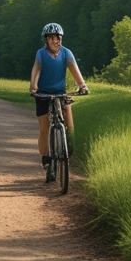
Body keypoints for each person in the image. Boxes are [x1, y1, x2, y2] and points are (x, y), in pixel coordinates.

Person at [29, 22, 88, 181]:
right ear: (46, 40)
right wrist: (33, 86)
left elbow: (75, 70)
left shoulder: (67, 53)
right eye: (52, 38)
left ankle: (69, 143)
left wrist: (82, 85)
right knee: (44, 129)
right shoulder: (41, 54)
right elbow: (36, 69)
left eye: (58, 38)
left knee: (69, 121)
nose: (55, 41)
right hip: (42, 94)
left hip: (60, 93)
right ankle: (46, 160)